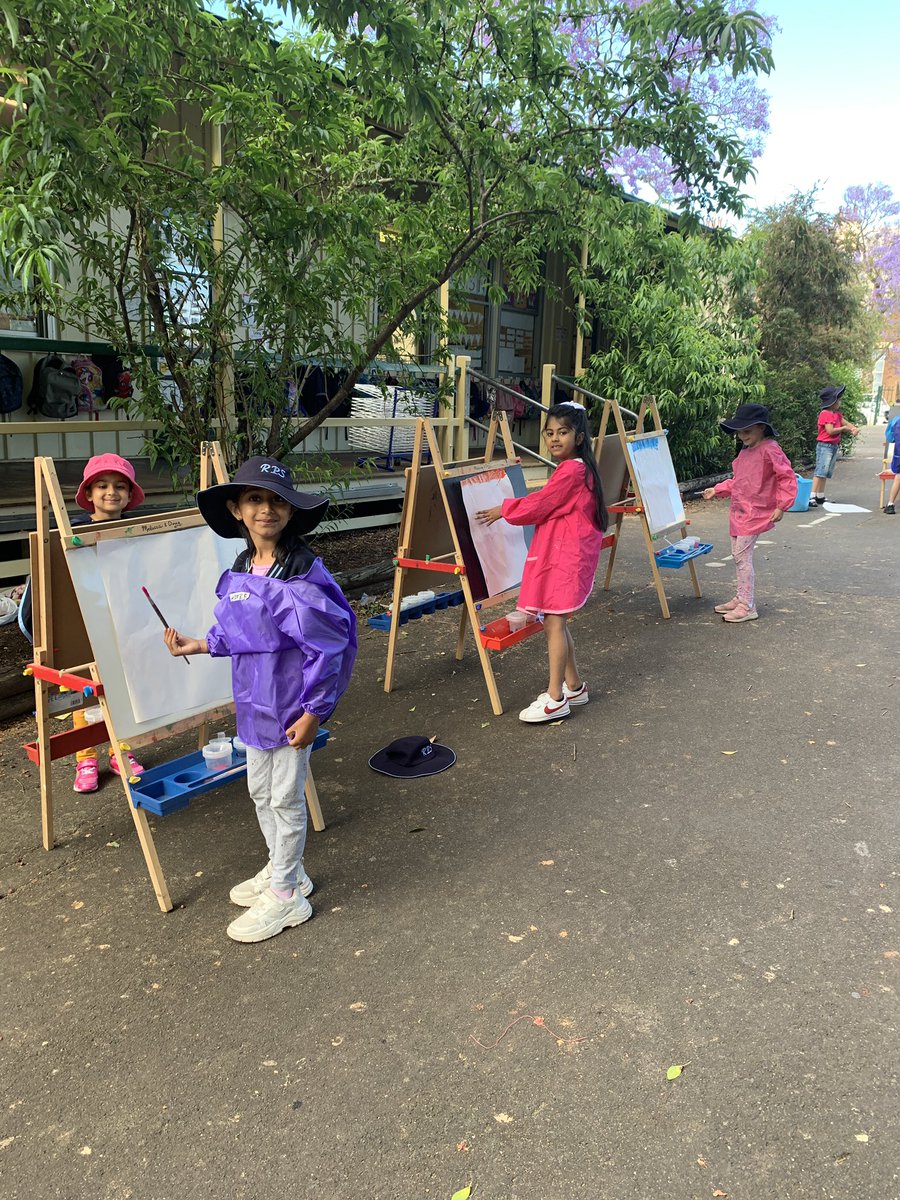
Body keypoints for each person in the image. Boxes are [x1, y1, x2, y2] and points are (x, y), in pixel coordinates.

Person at [162, 457, 357, 944]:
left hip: (291, 705)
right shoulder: (243, 567)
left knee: (286, 800)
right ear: (236, 509)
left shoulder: (302, 573)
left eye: (276, 500)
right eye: (255, 499)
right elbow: (238, 631)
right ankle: (282, 870)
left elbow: (327, 646)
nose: (266, 509)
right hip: (253, 701)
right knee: (259, 792)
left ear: (291, 512)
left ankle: (288, 896)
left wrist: (315, 712)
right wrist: (198, 643)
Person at [476, 401, 607, 723]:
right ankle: (574, 686)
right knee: (554, 621)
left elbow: (541, 503)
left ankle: (555, 697)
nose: (554, 439)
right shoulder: (577, 468)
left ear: (579, 436)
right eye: (549, 433)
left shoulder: (573, 470)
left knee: (554, 623)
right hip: (568, 556)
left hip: (567, 560)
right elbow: (547, 502)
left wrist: (504, 509)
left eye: (562, 432)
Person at [69, 455, 147, 792]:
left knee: (121, 687)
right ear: (89, 492)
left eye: (119, 486)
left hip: (123, 622)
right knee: (83, 691)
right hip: (83, 622)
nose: (110, 492)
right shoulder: (71, 531)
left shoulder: (134, 532)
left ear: (130, 495)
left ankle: (121, 750)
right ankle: (85, 757)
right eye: (102, 485)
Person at [702, 404, 797, 623]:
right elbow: (740, 481)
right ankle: (741, 597)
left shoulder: (770, 449)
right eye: (739, 431)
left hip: (756, 512)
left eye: (747, 431)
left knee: (742, 557)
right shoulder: (746, 451)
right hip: (740, 510)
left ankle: (747, 605)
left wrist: (782, 505)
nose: (742, 436)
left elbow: (787, 477)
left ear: (761, 428)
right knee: (738, 556)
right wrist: (717, 489)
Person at [809, 384, 859, 506]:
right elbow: (830, 431)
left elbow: (845, 423)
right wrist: (843, 428)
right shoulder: (825, 413)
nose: (840, 401)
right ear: (832, 401)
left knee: (826, 471)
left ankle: (820, 495)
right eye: (839, 399)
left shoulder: (836, 414)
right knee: (820, 471)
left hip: (833, 446)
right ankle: (812, 496)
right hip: (825, 445)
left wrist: (853, 428)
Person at [881, 408, 900, 514]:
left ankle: (890, 504)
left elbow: (890, 438)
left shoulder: (896, 420)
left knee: (898, 477)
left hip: (899, 454)